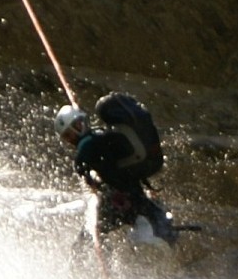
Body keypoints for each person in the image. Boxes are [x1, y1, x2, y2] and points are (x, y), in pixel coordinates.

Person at [54, 93, 174, 246]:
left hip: (118, 197)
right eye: (68, 137)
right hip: (130, 190)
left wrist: (90, 180)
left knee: (87, 239)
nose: (72, 138)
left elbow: (81, 164)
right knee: (148, 213)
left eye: (72, 132)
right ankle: (163, 233)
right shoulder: (102, 134)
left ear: (82, 123)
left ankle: (84, 255)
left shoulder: (88, 144)